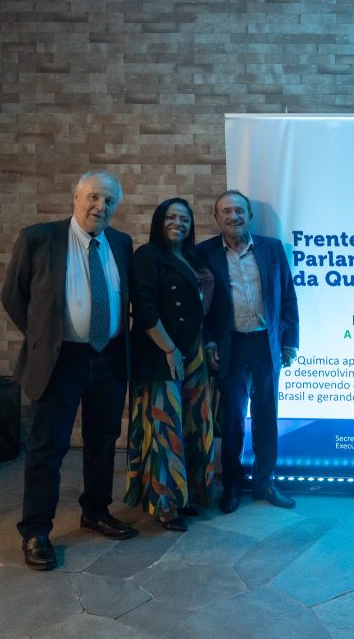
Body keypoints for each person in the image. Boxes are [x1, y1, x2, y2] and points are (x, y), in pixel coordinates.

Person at [2, 171, 138, 571]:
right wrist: (45, 338)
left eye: (109, 201)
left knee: (103, 440)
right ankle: (35, 530)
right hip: (60, 361)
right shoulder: (38, 239)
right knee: (47, 447)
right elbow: (13, 296)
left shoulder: (121, 243)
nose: (101, 206)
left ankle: (95, 511)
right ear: (75, 198)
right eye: (93, 197)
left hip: (109, 358)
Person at [196, 190, 299, 513]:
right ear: (217, 217)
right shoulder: (204, 253)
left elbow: (288, 296)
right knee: (233, 420)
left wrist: (290, 341)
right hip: (231, 346)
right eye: (226, 211)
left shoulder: (272, 249)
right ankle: (232, 484)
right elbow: (202, 307)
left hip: (265, 343)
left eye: (239, 210)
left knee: (267, 416)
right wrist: (209, 342)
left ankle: (265, 482)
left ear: (249, 216)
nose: (233, 216)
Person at [124, 198, 216, 532]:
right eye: (171, 217)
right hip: (161, 352)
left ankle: (186, 493)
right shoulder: (148, 255)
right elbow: (144, 308)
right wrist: (169, 348)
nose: (178, 223)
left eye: (184, 218)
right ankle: (164, 504)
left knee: (193, 422)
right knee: (164, 427)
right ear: (159, 221)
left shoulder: (193, 257)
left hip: (193, 351)